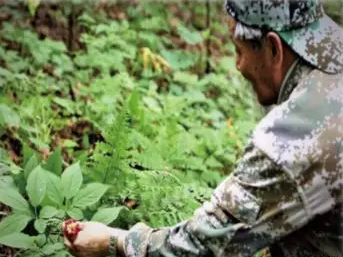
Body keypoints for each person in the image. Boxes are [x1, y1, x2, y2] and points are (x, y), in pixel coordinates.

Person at [63, 0, 343, 256]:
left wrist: (115, 241)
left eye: (238, 50)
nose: (237, 65)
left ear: (273, 48)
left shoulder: (292, 140)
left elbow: (204, 244)